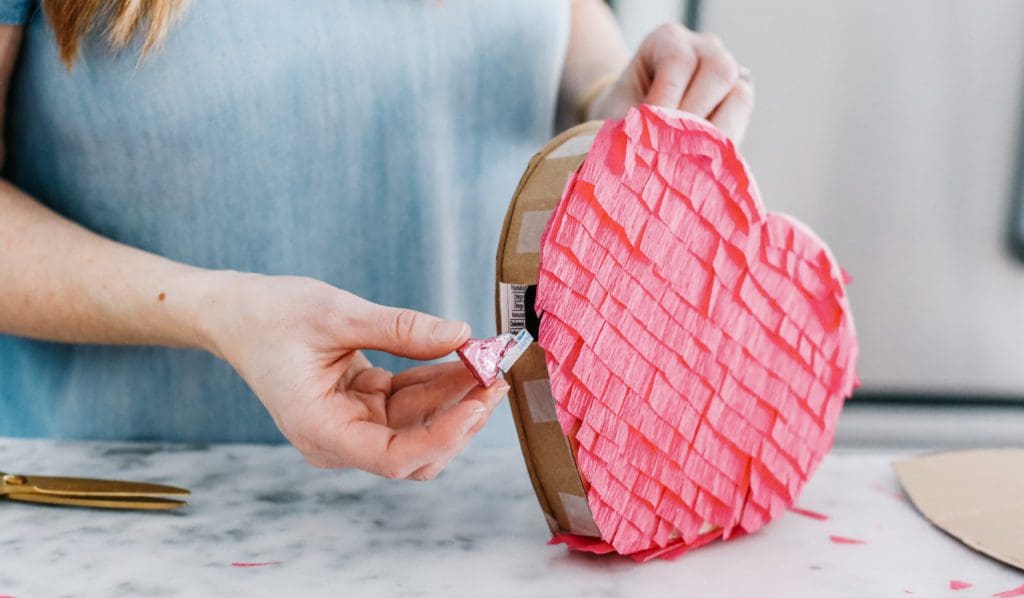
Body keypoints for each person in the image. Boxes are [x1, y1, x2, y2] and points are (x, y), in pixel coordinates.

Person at [0, 0, 752, 480]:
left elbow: (560, 23)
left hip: (490, 516)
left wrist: (606, 93)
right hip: (139, 515)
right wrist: (217, 311)